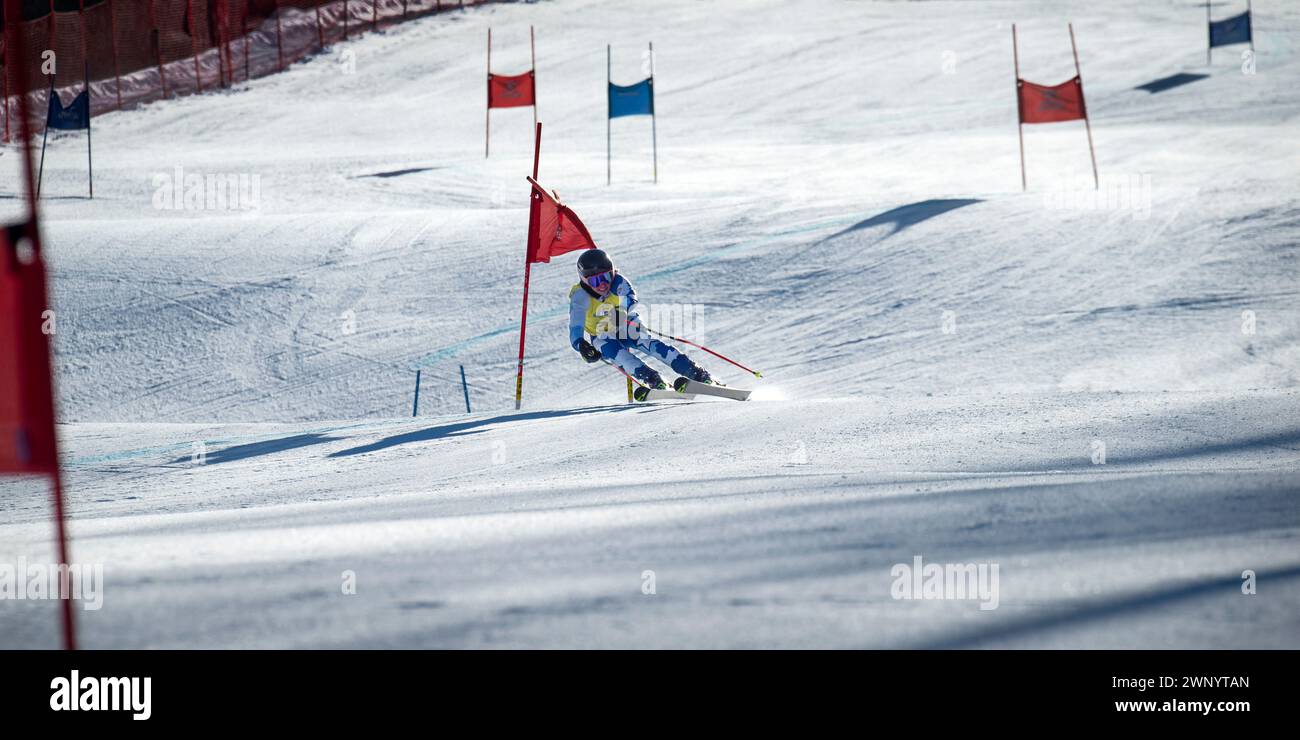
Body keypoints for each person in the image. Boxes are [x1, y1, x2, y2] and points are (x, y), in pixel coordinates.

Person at [569, 248, 714, 392]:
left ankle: (694, 372)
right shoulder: (580, 296)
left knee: (647, 343)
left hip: (625, 323)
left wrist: (621, 311)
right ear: (584, 280)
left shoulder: (617, 281)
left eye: (606, 277)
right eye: (595, 281)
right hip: (601, 334)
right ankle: (653, 379)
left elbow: (630, 298)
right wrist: (581, 345)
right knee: (620, 356)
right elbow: (575, 326)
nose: (602, 284)